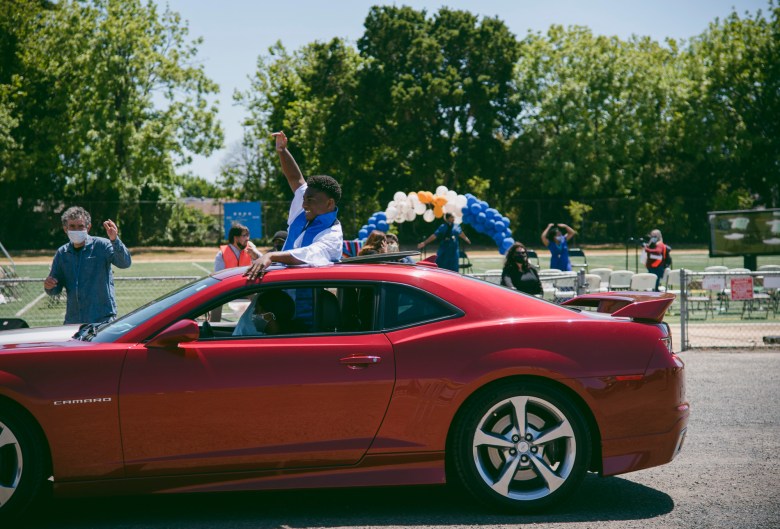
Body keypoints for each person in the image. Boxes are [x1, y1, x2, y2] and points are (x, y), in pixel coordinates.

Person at [245, 130, 343, 280]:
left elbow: (307, 254)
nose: (304, 204)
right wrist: (282, 151)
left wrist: (271, 256)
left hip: (305, 300)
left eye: (310, 200)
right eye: (304, 199)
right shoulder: (305, 211)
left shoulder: (333, 235)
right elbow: (295, 179)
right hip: (281, 291)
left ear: (329, 203)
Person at [43, 206, 132, 324]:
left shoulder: (102, 246)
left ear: (88, 227)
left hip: (102, 319)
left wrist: (115, 240)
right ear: (65, 229)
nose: (77, 230)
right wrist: (49, 286)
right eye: (72, 227)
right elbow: (55, 289)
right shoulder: (62, 254)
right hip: (73, 321)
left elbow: (125, 263)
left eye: (81, 226)